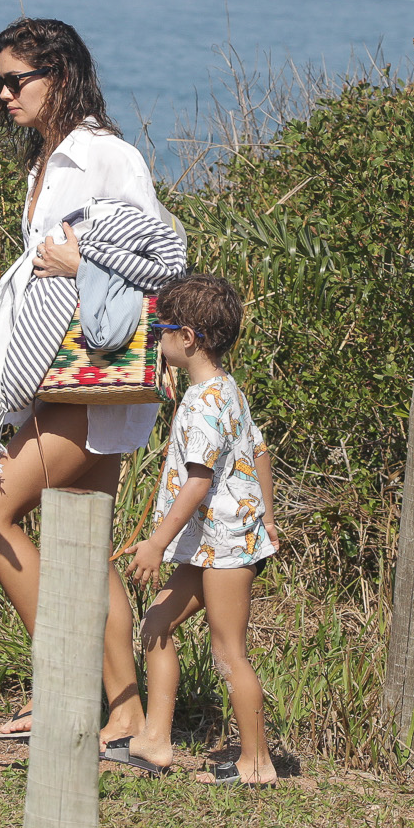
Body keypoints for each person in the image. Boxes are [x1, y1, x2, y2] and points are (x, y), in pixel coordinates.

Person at [0, 17, 183, 744]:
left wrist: (80, 259)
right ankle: (124, 713)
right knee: (87, 550)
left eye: (16, 80)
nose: (3, 94)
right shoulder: (50, 159)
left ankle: (65, 683)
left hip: (92, 381)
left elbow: (161, 254)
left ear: (60, 75)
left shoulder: (102, 155)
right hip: (66, 380)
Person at [115, 272, 280, 785]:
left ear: (186, 338)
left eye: (162, 328)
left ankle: (256, 763)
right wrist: (268, 517)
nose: (155, 338)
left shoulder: (205, 402)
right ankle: (155, 741)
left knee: (228, 652)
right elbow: (258, 450)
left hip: (227, 545)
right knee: (156, 624)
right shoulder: (224, 389)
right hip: (212, 544)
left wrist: (156, 542)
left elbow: (197, 481)